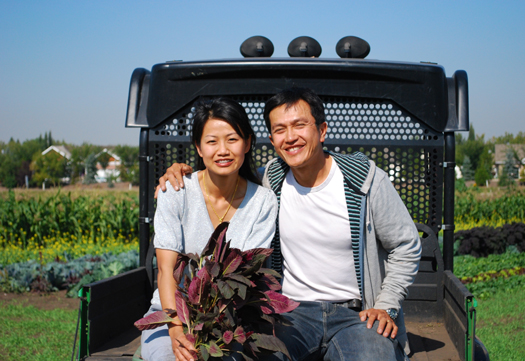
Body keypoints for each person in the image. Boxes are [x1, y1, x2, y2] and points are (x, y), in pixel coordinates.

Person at [158, 88, 422, 361]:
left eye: (299, 125)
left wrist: (387, 305)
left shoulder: (364, 181)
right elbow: (225, 171)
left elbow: (406, 245)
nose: (291, 137)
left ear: (321, 130)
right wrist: (179, 171)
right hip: (289, 315)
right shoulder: (270, 181)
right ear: (271, 140)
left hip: (357, 316)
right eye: (280, 129)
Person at [141, 98, 278, 361]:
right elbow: (166, 270)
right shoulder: (176, 192)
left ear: (248, 143)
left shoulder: (263, 202)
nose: (223, 150)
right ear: (199, 148)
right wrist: (177, 331)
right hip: (170, 317)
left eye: (232, 139)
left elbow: (243, 277)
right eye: (212, 141)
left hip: (229, 324)